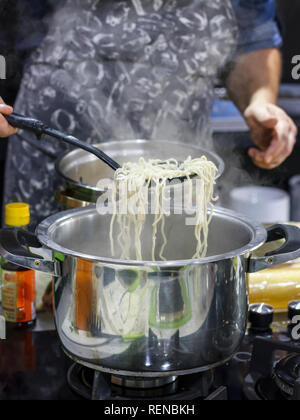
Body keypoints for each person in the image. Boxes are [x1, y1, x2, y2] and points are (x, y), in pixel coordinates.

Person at [0, 0, 298, 225]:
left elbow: (253, 33)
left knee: (174, 277)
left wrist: (258, 100)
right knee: (34, 281)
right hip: (51, 131)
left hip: (180, 155)